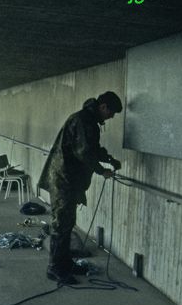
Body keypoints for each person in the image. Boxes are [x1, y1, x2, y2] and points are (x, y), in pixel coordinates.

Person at [38, 91, 123, 284]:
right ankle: (55, 268)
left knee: (67, 222)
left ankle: (65, 263)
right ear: (103, 107)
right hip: (63, 179)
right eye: (111, 113)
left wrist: (109, 159)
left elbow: (91, 148)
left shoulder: (87, 119)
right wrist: (103, 171)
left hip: (68, 179)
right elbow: (84, 151)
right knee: (61, 223)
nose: (111, 117)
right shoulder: (84, 120)